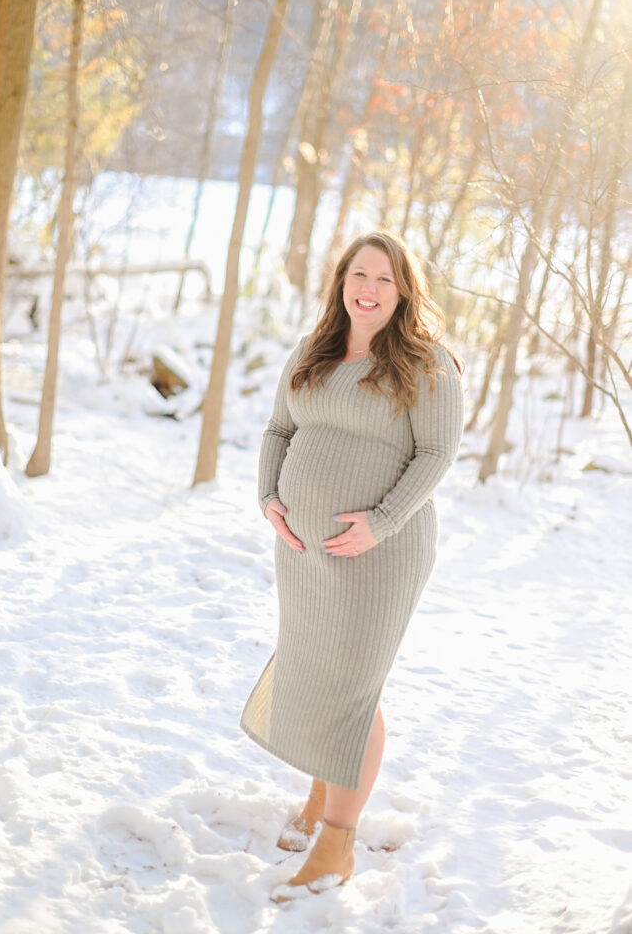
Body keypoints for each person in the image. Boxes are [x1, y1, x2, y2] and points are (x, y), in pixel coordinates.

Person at [240, 230, 465, 903]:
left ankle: (336, 843)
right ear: (340, 282)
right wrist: (270, 499)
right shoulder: (314, 351)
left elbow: (435, 455)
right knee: (312, 668)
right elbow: (279, 431)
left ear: (403, 292)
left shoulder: (426, 364)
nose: (367, 289)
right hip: (304, 550)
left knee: (353, 689)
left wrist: (380, 522)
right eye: (357, 275)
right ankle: (317, 796)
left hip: (380, 554)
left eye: (384, 280)